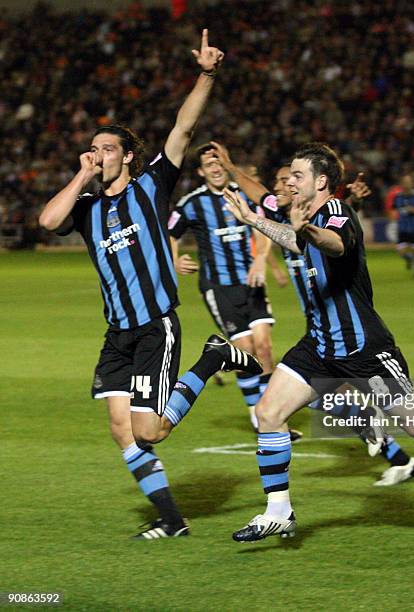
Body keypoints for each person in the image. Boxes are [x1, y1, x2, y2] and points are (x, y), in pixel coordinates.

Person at [223, 142, 414, 542]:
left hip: (364, 349)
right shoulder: (306, 215)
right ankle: (278, 511)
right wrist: (253, 219)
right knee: (268, 413)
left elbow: (335, 244)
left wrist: (306, 230)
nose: (290, 181)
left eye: (297, 176)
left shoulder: (336, 213)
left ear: (320, 181)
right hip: (319, 345)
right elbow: (294, 238)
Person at [38, 31, 261, 540]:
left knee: (149, 430)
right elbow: (49, 221)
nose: (97, 155)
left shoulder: (150, 186)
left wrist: (206, 74)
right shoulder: (87, 208)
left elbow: (183, 128)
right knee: (123, 433)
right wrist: (81, 177)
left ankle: (212, 357)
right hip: (117, 333)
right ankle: (173, 520)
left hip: (154, 327)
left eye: (107, 149)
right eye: (91, 149)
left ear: (128, 157)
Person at [210, 141, 414, 486]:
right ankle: (398, 456)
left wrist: (349, 198)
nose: (282, 186)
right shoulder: (282, 217)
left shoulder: (311, 216)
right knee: (308, 394)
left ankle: (379, 430)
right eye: (280, 181)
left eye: (290, 179)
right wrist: (233, 170)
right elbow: (261, 198)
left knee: (319, 394)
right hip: (319, 319)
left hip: (340, 319)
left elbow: (334, 232)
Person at [168, 145, 303, 439]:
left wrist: (259, 259)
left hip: (251, 281)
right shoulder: (191, 203)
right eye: (208, 163)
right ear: (201, 172)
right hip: (219, 287)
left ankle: (271, 413)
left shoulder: (242, 193)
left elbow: (264, 225)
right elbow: (170, 234)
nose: (215, 167)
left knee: (265, 347)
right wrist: (175, 259)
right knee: (245, 348)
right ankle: (258, 417)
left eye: (218, 161)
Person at [392, 175, 414, 279]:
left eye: (409, 182)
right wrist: (393, 217)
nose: (406, 184)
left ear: (412, 183)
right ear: (401, 184)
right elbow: (394, 209)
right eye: (404, 182)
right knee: (400, 251)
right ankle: (408, 259)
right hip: (402, 228)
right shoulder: (397, 197)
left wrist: (413, 210)